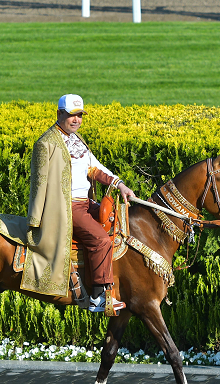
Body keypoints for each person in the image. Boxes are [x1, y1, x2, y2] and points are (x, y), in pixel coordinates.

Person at [22, 94, 135, 314]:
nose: (76, 120)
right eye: (71, 115)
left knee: (119, 226)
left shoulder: (78, 140)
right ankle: (97, 297)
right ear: (59, 114)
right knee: (101, 240)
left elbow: (94, 168)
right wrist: (36, 219)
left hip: (85, 203)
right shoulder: (45, 143)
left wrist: (120, 184)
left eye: (80, 115)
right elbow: (39, 182)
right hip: (65, 208)